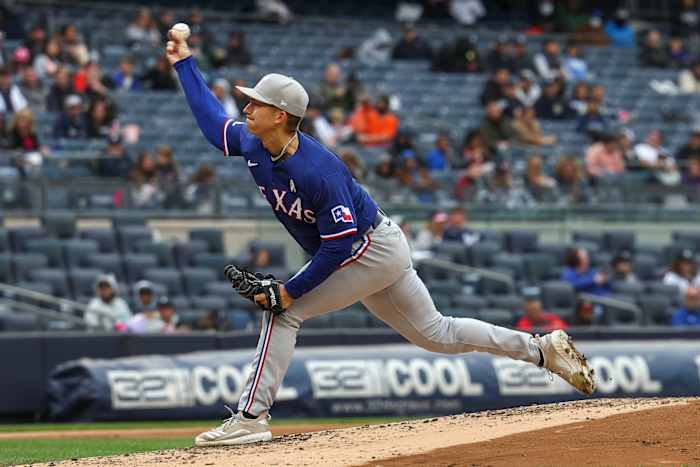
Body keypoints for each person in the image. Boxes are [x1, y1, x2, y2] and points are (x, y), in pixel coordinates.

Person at [165, 27, 595, 446]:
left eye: (256, 102)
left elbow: (337, 244)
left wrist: (289, 290)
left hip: (369, 247)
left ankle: (251, 417)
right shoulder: (254, 143)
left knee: (283, 311)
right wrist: (185, 63)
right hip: (367, 249)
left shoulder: (319, 169)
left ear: (280, 116)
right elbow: (212, 126)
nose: (247, 107)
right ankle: (541, 350)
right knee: (437, 334)